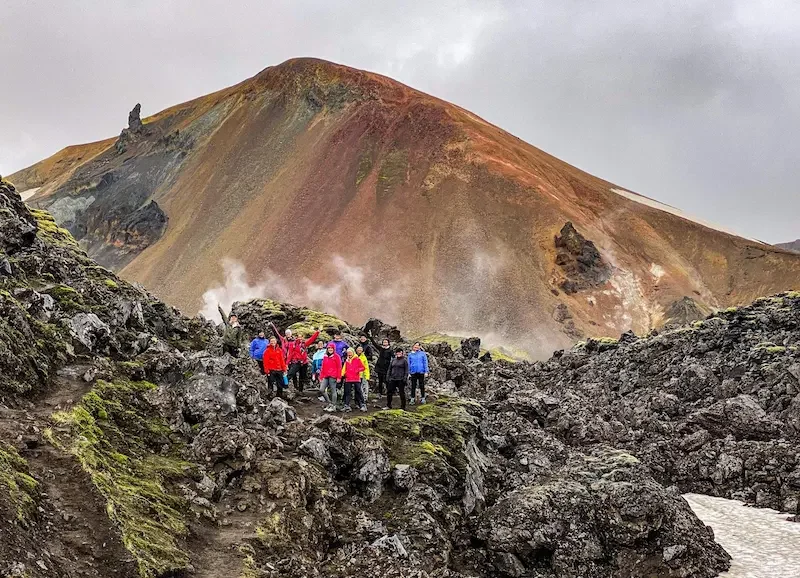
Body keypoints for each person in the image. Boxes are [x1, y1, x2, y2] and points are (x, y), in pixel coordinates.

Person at [282, 326, 321, 392]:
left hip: (304, 363)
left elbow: (312, 339)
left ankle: (300, 390)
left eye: (301, 337)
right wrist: (286, 363)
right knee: (290, 374)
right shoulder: (293, 344)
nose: (300, 338)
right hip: (296, 362)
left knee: (302, 377)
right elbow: (290, 354)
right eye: (299, 337)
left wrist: (317, 332)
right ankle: (283, 385)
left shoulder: (304, 344)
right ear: (297, 337)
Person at [341, 347, 366, 412]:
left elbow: (363, 367)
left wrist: (356, 370)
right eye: (348, 354)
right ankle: (347, 405)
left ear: (353, 353)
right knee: (347, 392)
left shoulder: (357, 359)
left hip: (356, 378)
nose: (349, 355)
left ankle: (363, 405)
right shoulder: (346, 360)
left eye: (350, 353)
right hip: (348, 378)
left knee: (359, 391)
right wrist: (344, 374)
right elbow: (344, 369)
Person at [318, 342, 342, 412]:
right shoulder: (325, 356)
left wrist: (339, 377)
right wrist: (321, 376)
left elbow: (339, 367)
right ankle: (329, 403)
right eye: (329, 348)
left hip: (333, 376)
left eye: (331, 348)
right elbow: (323, 367)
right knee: (322, 389)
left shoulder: (337, 356)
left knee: (333, 390)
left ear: (334, 349)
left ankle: (333, 406)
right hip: (325, 376)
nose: (330, 349)